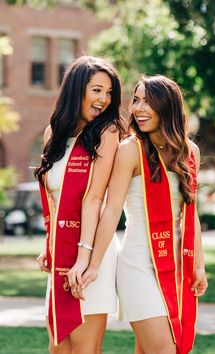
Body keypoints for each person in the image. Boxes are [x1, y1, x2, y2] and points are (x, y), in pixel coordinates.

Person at [79, 75, 208, 354]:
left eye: (148, 101)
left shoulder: (190, 153)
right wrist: (93, 264)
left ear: (167, 106)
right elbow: (111, 210)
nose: (138, 108)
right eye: (135, 100)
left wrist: (199, 264)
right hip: (137, 266)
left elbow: (190, 213)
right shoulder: (130, 150)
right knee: (165, 349)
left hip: (175, 267)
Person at [35, 55, 122, 354]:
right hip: (62, 251)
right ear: (77, 90)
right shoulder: (53, 134)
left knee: (85, 348)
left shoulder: (106, 133)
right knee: (58, 346)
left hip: (91, 249)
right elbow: (54, 198)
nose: (104, 99)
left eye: (109, 92)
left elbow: (95, 198)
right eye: (97, 90)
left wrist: (85, 260)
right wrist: (49, 245)